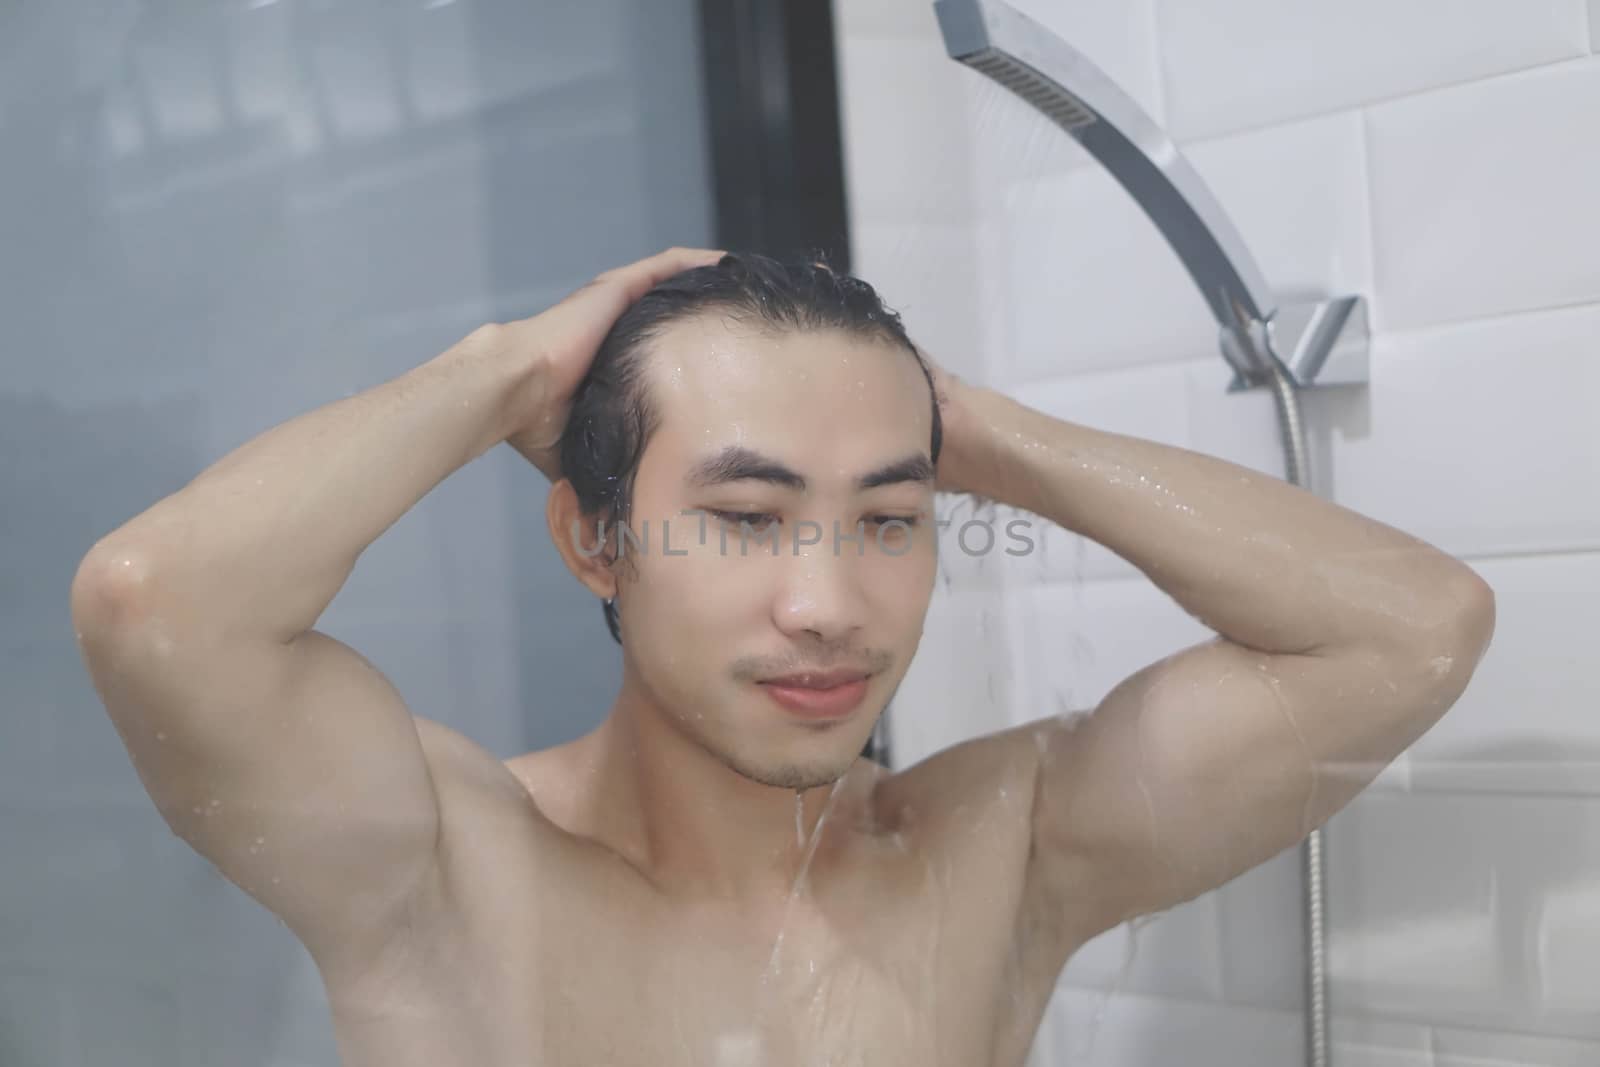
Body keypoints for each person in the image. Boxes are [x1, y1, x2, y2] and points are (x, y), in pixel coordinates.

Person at [70, 247, 1495, 1066]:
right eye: (747, 520)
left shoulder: (1000, 854)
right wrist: (508, 372)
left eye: (888, 520)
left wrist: (975, 433)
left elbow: (1414, 627)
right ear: (594, 543)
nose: (826, 603)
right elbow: (155, 602)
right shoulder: (444, 869)